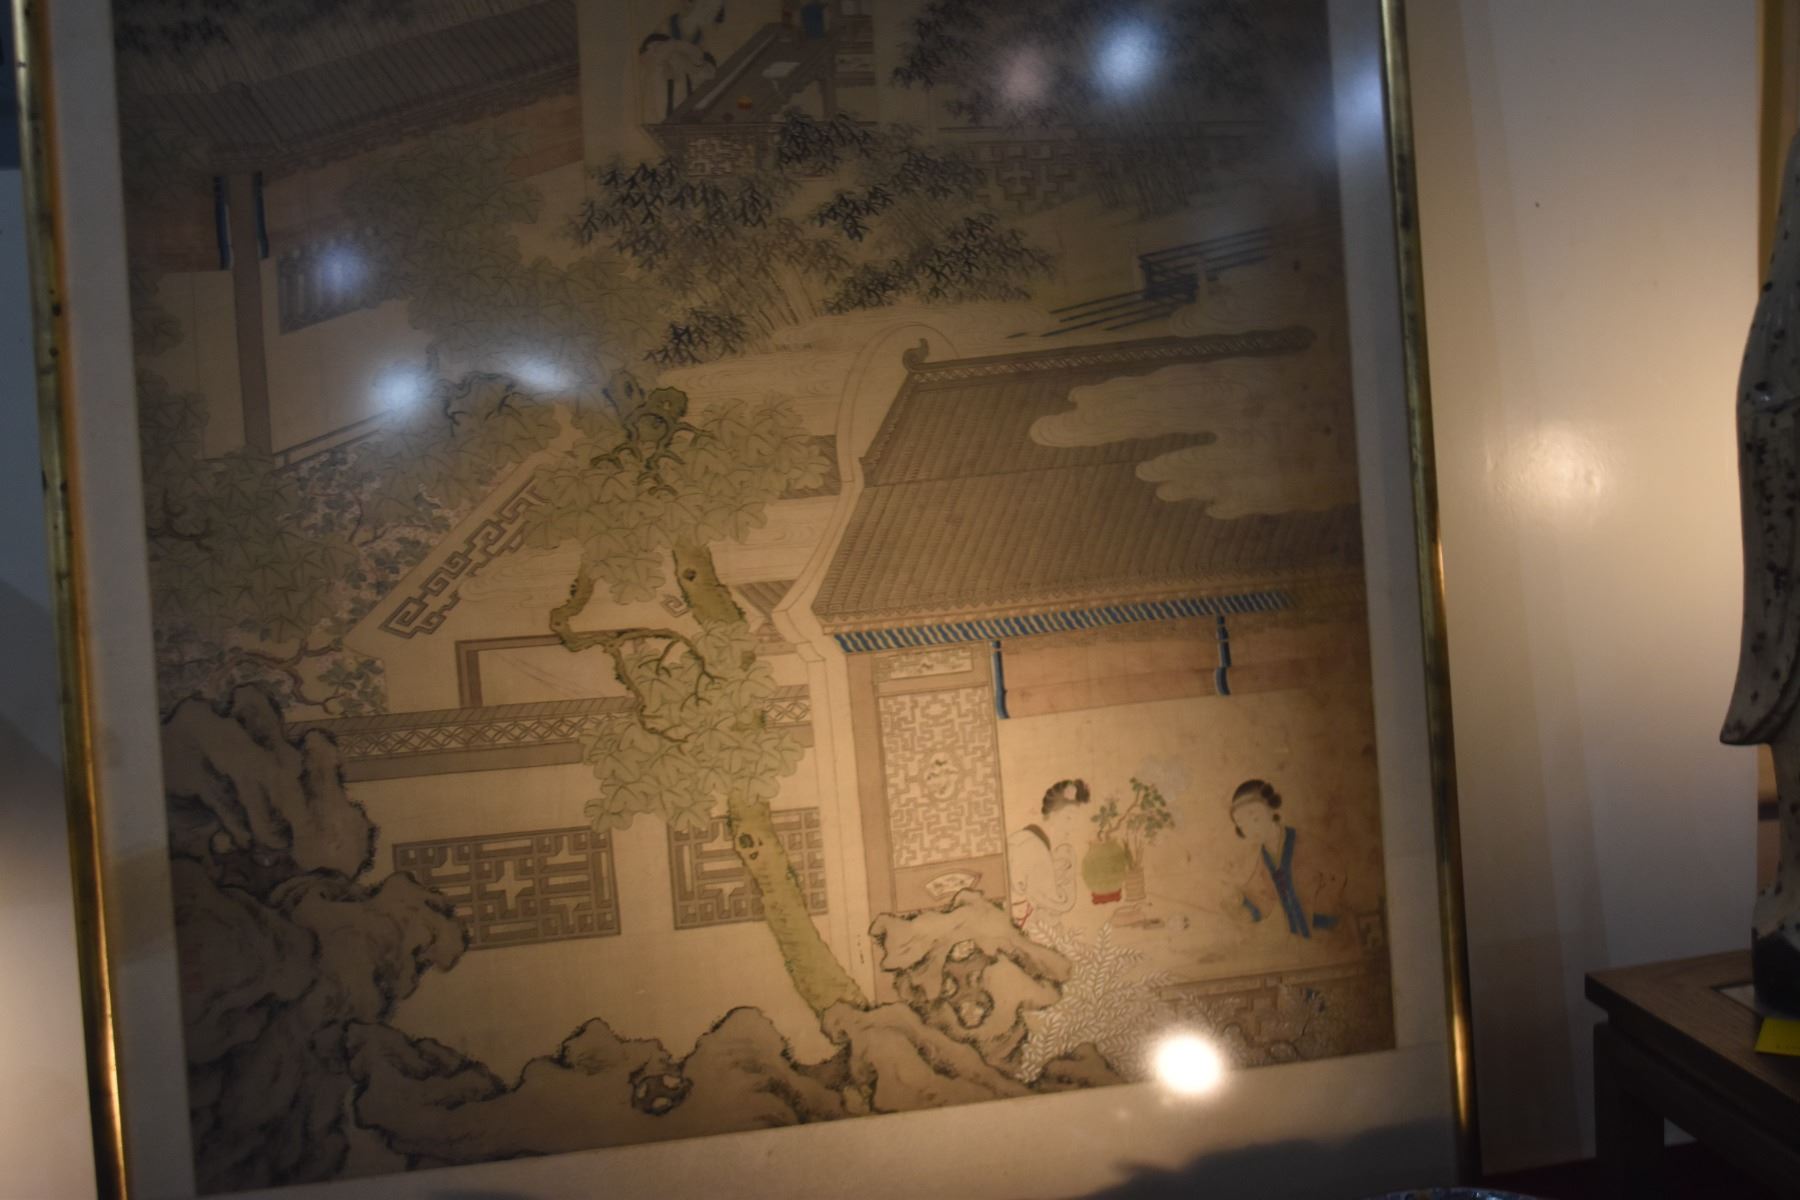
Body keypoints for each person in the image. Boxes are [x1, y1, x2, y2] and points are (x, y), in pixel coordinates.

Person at [1228, 779, 1338, 938]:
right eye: (1242, 824)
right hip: (1299, 932)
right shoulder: (1265, 858)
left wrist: (1322, 913)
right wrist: (1238, 902)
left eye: (1255, 818)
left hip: (1330, 929)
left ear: (1271, 809)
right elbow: (1260, 894)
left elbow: (1335, 872)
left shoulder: (1303, 842)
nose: (1251, 828)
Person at [1008, 779, 1091, 927]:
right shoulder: (1034, 848)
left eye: (1076, 821)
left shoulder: (1026, 838)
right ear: (1052, 814)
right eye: (1068, 817)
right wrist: (1069, 865)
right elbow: (1061, 902)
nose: (1072, 827)